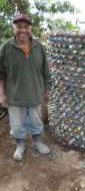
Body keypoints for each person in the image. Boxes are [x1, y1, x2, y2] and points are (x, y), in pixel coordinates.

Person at [0, 13, 50, 161]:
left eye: (26, 27)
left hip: (35, 94)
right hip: (14, 96)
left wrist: (47, 91)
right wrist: (1, 94)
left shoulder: (39, 47)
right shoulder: (6, 48)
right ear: (13, 28)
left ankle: (37, 142)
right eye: (19, 26)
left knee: (36, 121)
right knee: (17, 124)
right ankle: (20, 145)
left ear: (30, 28)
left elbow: (45, 71)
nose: (23, 30)